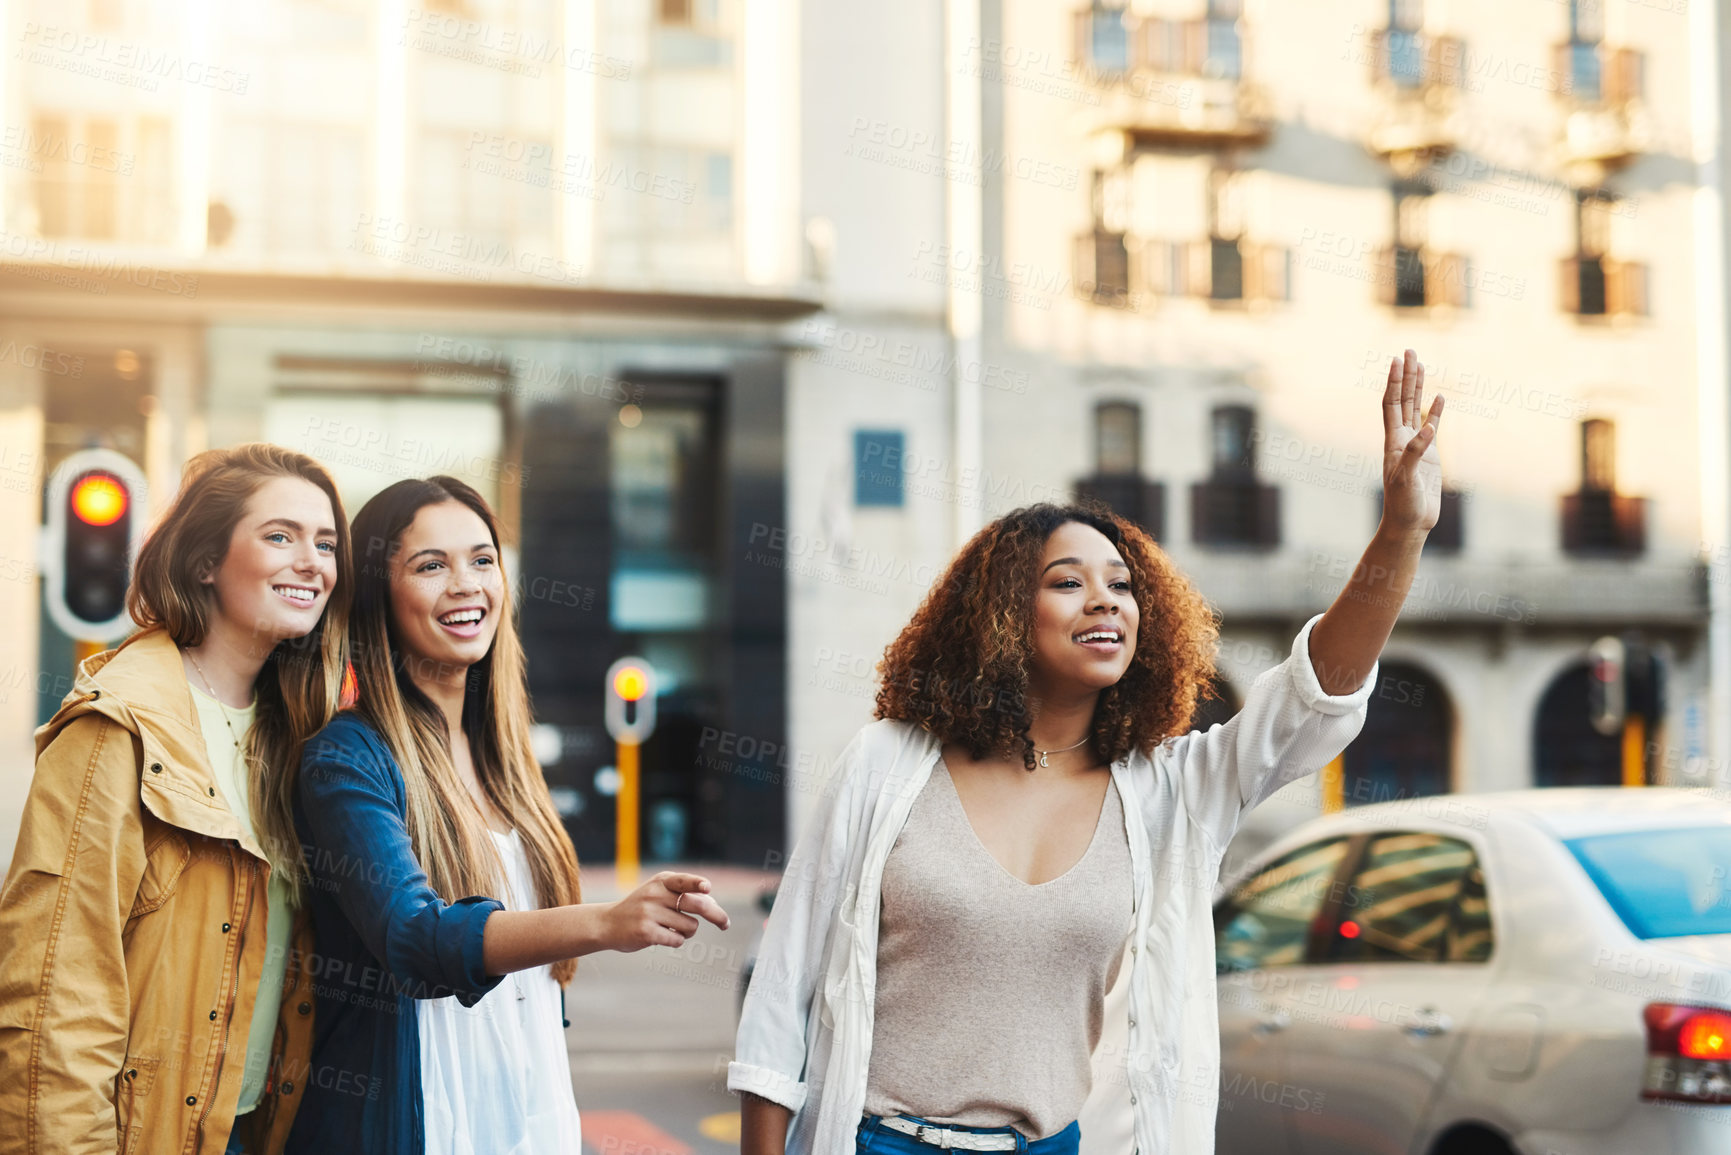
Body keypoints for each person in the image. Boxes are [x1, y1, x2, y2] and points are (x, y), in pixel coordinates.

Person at [732, 352, 1447, 1155]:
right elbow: (781, 996)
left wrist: (1401, 532)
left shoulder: (1170, 790)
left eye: (1122, 583)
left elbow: (1313, 700)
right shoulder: (887, 763)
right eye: (1068, 582)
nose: (1105, 598)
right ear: (1005, 613)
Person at [288, 476, 730, 1155]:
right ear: (381, 597)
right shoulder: (347, 758)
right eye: (430, 565)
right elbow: (412, 939)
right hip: (423, 1123)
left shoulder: (504, 756)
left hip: (527, 1118)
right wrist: (607, 922)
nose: (466, 583)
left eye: (482, 559)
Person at [0, 443, 352, 1155]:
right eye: (279, 535)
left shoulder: (301, 736)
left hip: (252, 1128)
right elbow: (54, 999)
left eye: (326, 542)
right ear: (204, 562)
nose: (312, 561)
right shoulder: (114, 726)